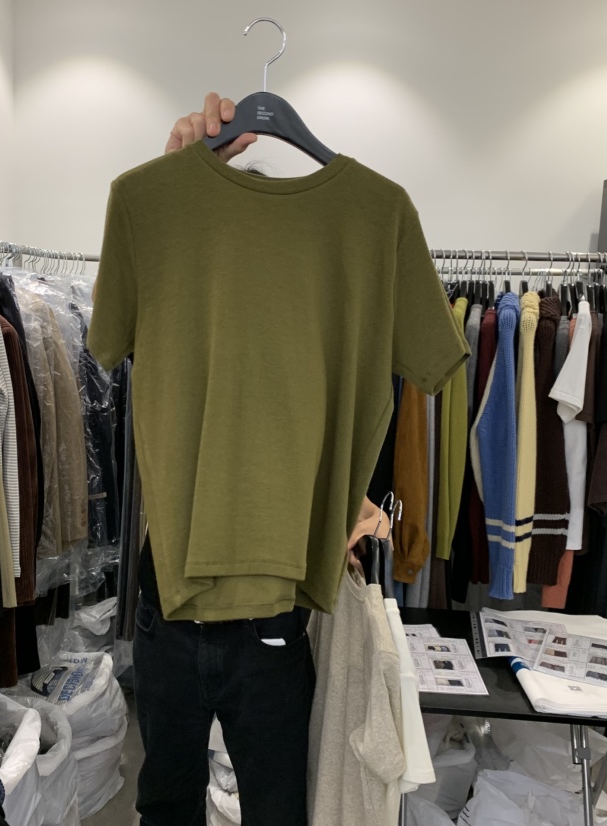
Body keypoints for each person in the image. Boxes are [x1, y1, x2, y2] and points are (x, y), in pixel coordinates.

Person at [123, 93, 393, 825]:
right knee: (166, 804)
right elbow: (127, 323)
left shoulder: (356, 249)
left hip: (272, 606)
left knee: (272, 809)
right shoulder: (160, 238)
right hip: (171, 595)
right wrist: (174, 182)